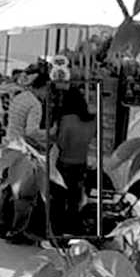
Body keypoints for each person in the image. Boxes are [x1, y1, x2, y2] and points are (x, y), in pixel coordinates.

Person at [1, 66, 51, 243]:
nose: (47, 95)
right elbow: (31, 131)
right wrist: (49, 133)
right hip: (22, 151)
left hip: (9, 145)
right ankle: (16, 232)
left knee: (8, 188)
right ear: (43, 87)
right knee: (24, 195)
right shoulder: (35, 105)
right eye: (47, 90)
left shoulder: (20, 97)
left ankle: (4, 227)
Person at [49, 86, 96, 239]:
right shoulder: (92, 121)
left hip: (64, 163)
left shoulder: (67, 120)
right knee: (74, 200)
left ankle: (56, 231)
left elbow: (61, 143)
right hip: (81, 163)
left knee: (58, 200)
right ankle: (71, 231)